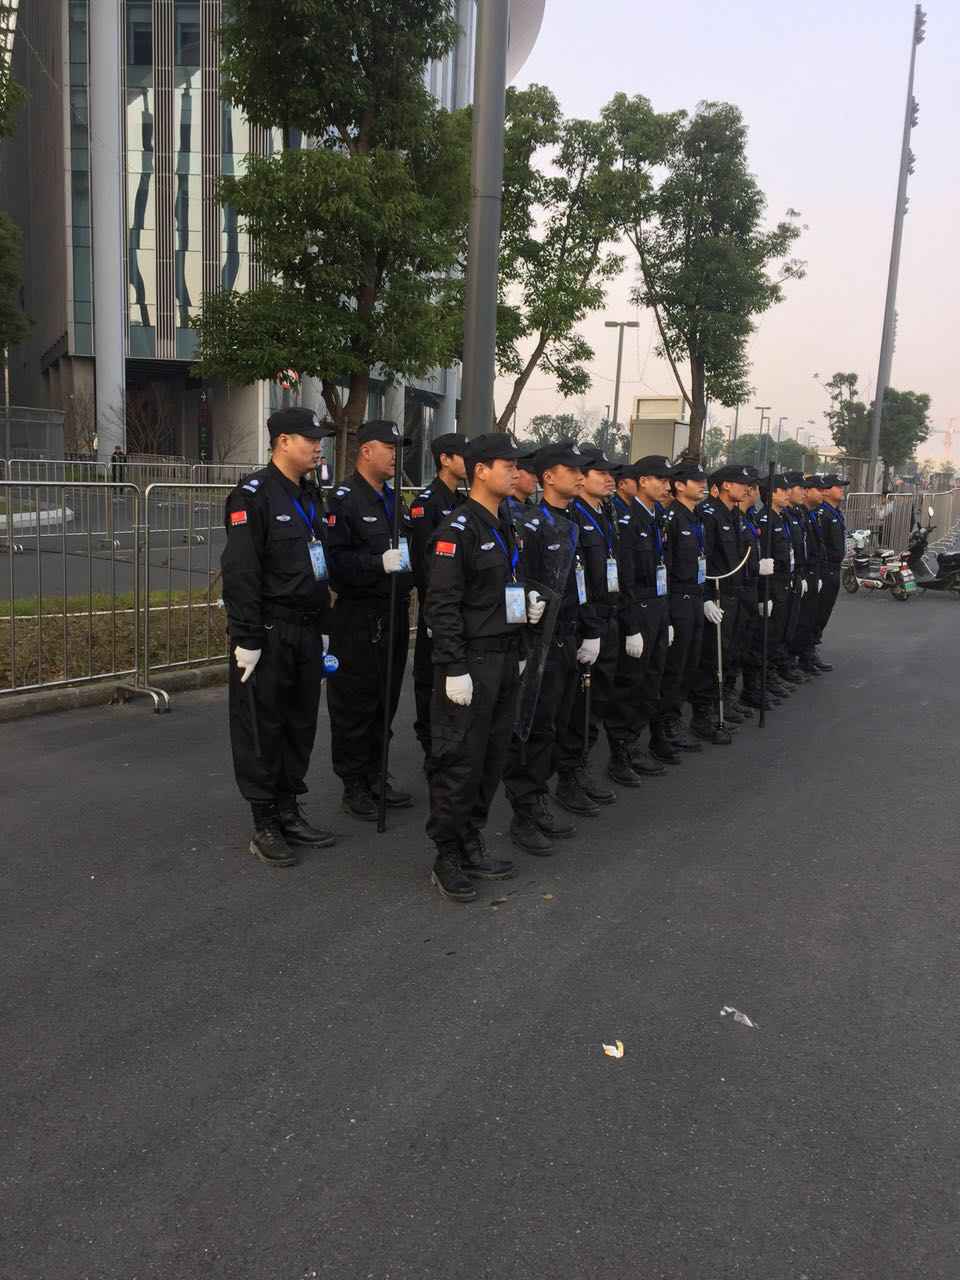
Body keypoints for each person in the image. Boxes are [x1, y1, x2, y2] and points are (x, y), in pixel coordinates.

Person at [221, 406, 338, 867]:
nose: (317, 446)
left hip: (307, 629)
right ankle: (265, 820)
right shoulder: (253, 495)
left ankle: (289, 808)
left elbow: (318, 567)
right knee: (261, 726)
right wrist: (246, 637)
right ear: (283, 442)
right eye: (310, 439)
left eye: (319, 439)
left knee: (299, 725)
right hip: (269, 631)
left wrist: (324, 627)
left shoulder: (309, 495)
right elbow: (241, 572)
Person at [424, 433, 528, 902]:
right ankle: (447, 853)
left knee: (491, 758)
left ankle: (471, 838)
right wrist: (453, 666)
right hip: (472, 661)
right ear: (481, 470)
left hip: (504, 656)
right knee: (459, 760)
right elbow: (442, 605)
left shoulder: (505, 523)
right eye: (508, 465)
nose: (515, 472)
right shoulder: (458, 529)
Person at [325, 419, 415, 820]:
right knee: (355, 703)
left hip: (393, 612)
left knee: (385, 700)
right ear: (366, 451)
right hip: (359, 616)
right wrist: (375, 564)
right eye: (389, 448)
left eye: (398, 448)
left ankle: (376, 773)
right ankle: (354, 784)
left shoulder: (393, 500)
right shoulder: (344, 500)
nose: (396, 455)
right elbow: (334, 563)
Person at [502, 440, 585, 856]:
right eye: (573, 471)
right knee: (531, 728)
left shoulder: (572, 523)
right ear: (549, 477)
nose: (580, 477)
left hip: (568, 637)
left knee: (554, 725)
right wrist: (521, 643)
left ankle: (540, 795)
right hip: (539, 644)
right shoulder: (530, 526)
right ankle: (525, 809)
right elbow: (517, 587)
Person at [553, 445, 620, 814]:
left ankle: (580, 766)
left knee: (596, 705)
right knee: (578, 708)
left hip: (605, 621)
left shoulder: (603, 514)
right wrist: (589, 629)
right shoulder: (574, 517)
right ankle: (569, 777)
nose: (608, 479)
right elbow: (576, 584)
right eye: (600, 472)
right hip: (582, 627)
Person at [605, 456, 673, 773]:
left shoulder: (656, 517)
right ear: (643, 481)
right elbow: (626, 579)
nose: (667, 486)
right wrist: (631, 625)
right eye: (661, 479)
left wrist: (666, 618)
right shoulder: (628, 520)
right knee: (631, 682)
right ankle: (621, 751)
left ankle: (635, 741)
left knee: (652, 679)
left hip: (657, 607)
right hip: (639, 609)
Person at [409, 433, 469, 761]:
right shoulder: (427, 503)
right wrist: (433, 610)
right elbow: (424, 565)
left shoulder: (462, 502)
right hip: (436, 608)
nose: (469, 462)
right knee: (429, 679)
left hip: (460, 608)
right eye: (463, 455)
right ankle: (431, 747)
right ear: (445, 459)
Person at [688, 464, 754, 744]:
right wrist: (704, 598)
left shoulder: (735, 515)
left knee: (730, 653)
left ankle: (721, 704)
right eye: (742, 483)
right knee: (711, 658)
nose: (747, 489)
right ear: (726, 485)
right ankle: (702, 716)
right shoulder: (709, 515)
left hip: (735, 594)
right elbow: (701, 560)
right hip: (717, 595)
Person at [657, 461, 708, 752]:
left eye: (703, 480)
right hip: (677, 600)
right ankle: (665, 727)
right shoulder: (671, 518)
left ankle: (674, 720)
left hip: (695, 597)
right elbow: (664, 568)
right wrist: (667, 616)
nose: (702, 485)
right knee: (674, 668)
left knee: (690, 664)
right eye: (695, 481)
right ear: (679, 485)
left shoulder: (696, 516)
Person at [755, 475, 798, 701]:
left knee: (779, 632)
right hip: (772, 584)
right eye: (783, 490)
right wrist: (765, 595)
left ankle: (770, 675)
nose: (788, 494)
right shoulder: (765, 519)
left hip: (784, 581)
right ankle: (761, 681)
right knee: (768, 635)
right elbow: (764, 559)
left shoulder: (780, 517)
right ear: (771, 493)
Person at [790, 475, 828, 676]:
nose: (822, 493)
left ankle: (806, 654)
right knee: (797, 621)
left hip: (814, 571)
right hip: (799, 574)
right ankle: (793, 660)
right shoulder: (797, 515)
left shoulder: (808, 514)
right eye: (817, 489)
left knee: (811, 618)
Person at [815, 473, 849, 661]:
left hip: (835, 568)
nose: (841, 489)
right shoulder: (822, 513)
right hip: (825, 568)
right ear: (826, 491)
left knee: (825, 610)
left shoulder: (836, 512)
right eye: (838, 486)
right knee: (818, 612)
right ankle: (807, 651)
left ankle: (812, 646)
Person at [504, 448, 539, 526]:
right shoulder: (503, 511)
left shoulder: (532, 508)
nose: (536, 479)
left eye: (536, 474)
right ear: (515, 473)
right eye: (531, 473)